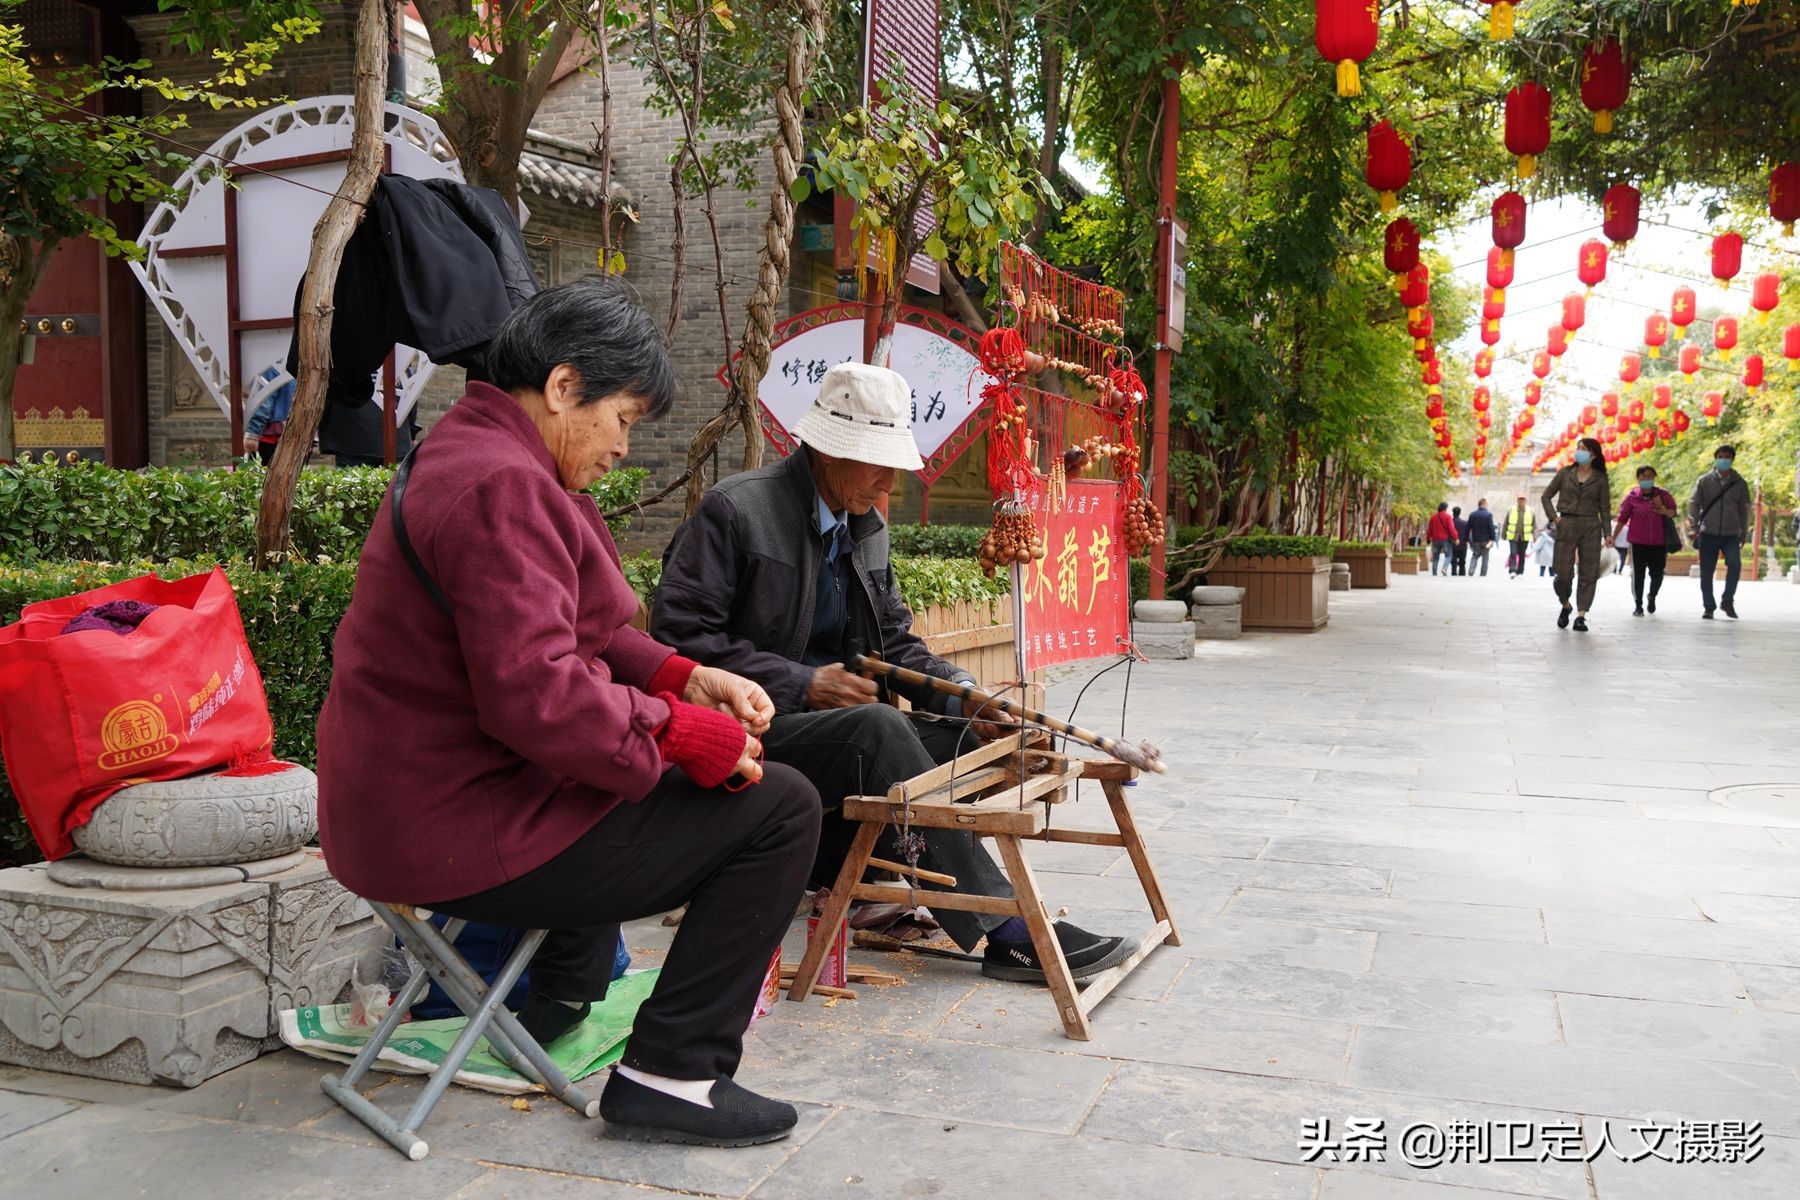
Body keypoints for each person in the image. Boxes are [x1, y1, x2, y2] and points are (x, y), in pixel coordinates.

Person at [316, 282, 821, 1148]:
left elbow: (574, 630)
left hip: (407, 809)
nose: (623, 445)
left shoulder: (476, 452)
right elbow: (540, 694)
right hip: (444, 827)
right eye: (621, 418)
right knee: (782, 808)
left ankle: (557, 999)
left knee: (618, 776)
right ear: (561, 387)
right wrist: (682, 733)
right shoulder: (500, 486)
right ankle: (674, 1074)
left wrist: (684, 677)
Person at [652, 362, 1137, 988]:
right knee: (878, 729)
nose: (889, 480)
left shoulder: (866, 527)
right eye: (876, 463)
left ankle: (857, 869)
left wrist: (966, 699)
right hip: (749, 730)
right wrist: (801, 683)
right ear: (829, 450)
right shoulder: (737, 511)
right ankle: (1009, 931)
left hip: (833, 732)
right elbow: (678, 643)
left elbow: (897, 644)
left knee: (959, 739)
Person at [1541, 435, 1611, 632]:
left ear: (1593, 455)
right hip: (1567, 523)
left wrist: (1608, 533)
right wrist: (1555, 518)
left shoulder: (1600, 478)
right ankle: (1565, 604)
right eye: (1578, 447)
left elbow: (1605, 507)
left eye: (1583, 448)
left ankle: (1581, 615)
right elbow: (1546, 496)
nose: (1578, 451)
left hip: (1591, 526)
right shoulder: (1565, 473)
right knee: (1562, 573)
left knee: (1589, 573)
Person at [1688, 443, 1752, 620]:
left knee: (1735, 565)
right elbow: (1693, 504)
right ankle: (1709, 606)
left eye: (1727, 457)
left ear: (1732, 460)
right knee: (1706, 572)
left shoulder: (1740, 483)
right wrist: (1694, 526)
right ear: (1716, 459)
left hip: (1731, 534)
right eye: (1720, 457)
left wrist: (1743, 532)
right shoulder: (1704, 481)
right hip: (1708, 533)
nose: (1724, 460)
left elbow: (1744, 509)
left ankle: (1727, 601)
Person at [1613, 464, 1678, 616]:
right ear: (1638, 478)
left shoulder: (1663, 495)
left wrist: (1664, 510)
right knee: (1638, 574)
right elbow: (1622, 518)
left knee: (1657, 574)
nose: (1647, 479)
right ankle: (1638, 604)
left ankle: (1652, 595)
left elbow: (1673, 512)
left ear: (1654, 478)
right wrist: (1613, 537)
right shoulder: (1632, 498)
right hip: (1638, 543)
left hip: (1659, 543)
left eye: (1650, 476)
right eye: (1644, 476)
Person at [241, 364, 295, 464]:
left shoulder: (269, 364)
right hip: (299, 433)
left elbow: (264, 400)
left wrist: (252, 433)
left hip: (272, 434)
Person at [1502, 495, 1535, 577]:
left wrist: (1535, 536)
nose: (1522, 501)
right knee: (1513, 553)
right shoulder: (1511, 510)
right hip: (1513, 536)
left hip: (1524, 537)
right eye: (1520, 499)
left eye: (1523, 499)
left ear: (1525, 501)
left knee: (1522, 554)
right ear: (1517, 500)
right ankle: (1512, 570)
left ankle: (1520, 571)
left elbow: (1534, 524)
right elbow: (1506, 523)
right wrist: (1503, 534)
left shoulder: (1530, 511)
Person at [1466, 499, 1498, 577]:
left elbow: (1468, 527)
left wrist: (1467, 539)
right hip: (1486, 540)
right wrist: (1493, 539)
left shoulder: (1472, 515)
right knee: (1485, 557)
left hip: (1475, 539)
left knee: (1475, 555)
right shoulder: (1488, 515)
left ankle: (1471, 570)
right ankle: (1483, 573)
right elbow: (1491, 528)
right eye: (1486, 504)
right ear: (1483, 504)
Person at [1426, 502, 1456, 576]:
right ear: (1445, 508)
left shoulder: (1433, 517)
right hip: (1445, 540)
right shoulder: (1448, 517)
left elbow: (1429, 529)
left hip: (1435, 540)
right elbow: (1451, 529)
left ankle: (1434, 573)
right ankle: (1444, 568)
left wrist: (1428, 539)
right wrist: (1456, 537)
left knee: (1435, 557)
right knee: (1449, 555)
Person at [1451, 505, 1469, 575]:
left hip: (1452, 544)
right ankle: (1462, 574)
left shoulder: (1450, 522)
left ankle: (1454, 573)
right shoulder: (1464, 523)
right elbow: (1467, 533)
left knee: (1453, 562)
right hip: (1462, 544)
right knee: (1462, 562)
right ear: (1459, 513)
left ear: (1453, 513)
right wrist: (1468, 541)